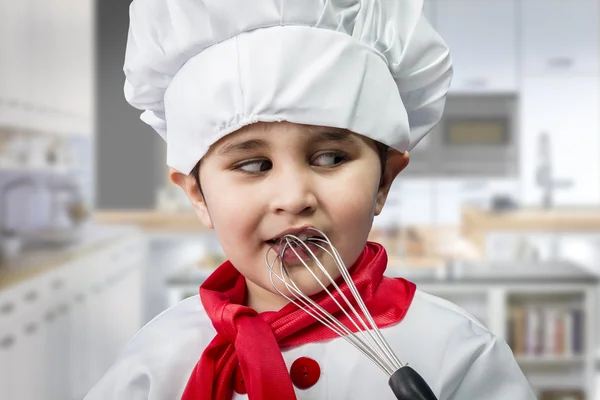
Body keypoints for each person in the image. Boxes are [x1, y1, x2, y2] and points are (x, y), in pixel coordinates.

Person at [86, 0, 536, 399]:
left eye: (330, 157)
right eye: (253, 165)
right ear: (198, 196)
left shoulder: (461, 356)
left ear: (384, 182)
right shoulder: (155, 362)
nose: (293, 197)